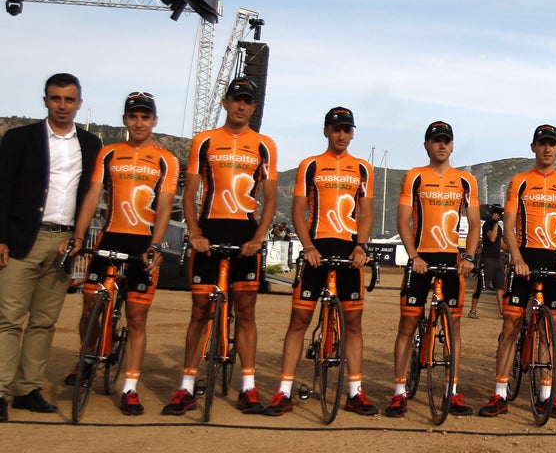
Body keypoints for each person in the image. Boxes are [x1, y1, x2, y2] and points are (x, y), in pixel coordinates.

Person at [162, 77, 278, 416]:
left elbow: (269, 198)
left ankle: (249, 387)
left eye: (248, 100)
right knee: (199, 312)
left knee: (246, 312)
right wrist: (195, 232)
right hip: (209, 231)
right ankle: (185, 387)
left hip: (246, 232)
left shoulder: (264, 144)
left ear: (254, 108)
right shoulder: (204, 141)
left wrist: (259, 238)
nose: (242, 106)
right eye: (236, 99)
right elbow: (190, 192)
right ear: (226, 102)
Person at [63, 91, 179, 415]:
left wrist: (156, 245)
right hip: (110, 238)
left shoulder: (166, 159)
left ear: (154, 121)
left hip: (142, 243)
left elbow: (166, 204)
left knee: (137, 318)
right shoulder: (109, 152)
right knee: (89, 308)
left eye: (145, 116)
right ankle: (86, 359)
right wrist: (79, 234)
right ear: (125, 120)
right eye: (133, 116)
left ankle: (129, 387)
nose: (139, 122)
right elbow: (92, 194)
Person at [0, 73, 102, 421]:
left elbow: (91, 193)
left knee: (44, 321)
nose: (62, 105)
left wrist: (79, 240)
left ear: (79, 103)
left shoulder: (91, 145)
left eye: (69, 99)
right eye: (56, 98)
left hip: (63, 243)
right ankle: (0, 390)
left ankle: (28, 389)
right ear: (45, 101)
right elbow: (2, 189)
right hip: (21, 239)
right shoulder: (18, 139)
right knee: (9, 319)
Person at [263, 107, 377, 416]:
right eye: (336, 129)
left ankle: (355, 392)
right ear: (326, 131)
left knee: (353, 325)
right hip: (317, 251)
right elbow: (299, 211)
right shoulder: (310, 165)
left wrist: (361, 247)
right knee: (298, 322)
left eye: (347, 129)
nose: (342, 135)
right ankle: (283, 392)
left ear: (352, 133)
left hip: (349, 251)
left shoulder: (363, 168)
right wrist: (309, 246)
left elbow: (365, 214)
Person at [477, 124, 556, 419]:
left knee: (548, 332)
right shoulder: (519, 181)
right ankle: (499, 393)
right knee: (510, 328)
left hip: (552, 262)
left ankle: (547, 395)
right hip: (524, 262)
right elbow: (508, 226)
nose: (547, 149)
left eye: (552, 144)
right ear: (533, 147)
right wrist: (518, 259)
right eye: (542, 143)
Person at [385, 122, 480, 418]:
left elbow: (475, 223)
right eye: (436, 140)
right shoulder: (415, 176)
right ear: (426, 145)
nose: (441, 145)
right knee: (407, 325)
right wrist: (413, 256)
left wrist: (469, 257)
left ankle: (452, 390)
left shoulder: (465, 180)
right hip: (421, 259)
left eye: (446, 141)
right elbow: (403, 221)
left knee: (454, 328)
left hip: (452, 261)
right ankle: (399, 391)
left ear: (452, 146)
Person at [468, 204, 505, 319]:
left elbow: (500, 243)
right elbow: (492, 238)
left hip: (498, 259)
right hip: (487, 259)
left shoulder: (499, 227)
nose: (498, 216)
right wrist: (494, 223)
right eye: (496, 213)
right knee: (480, 285)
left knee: (500, 287)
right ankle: (472, 310)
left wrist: (516, 249)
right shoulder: (487, 225)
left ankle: (501, 312)